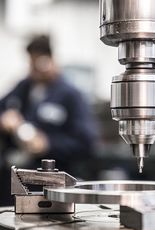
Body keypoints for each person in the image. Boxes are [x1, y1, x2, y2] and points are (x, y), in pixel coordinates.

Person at [0, 35, 98, 206]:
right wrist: (5, 119)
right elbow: (3, 108)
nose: (35, 69)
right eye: (31, 63)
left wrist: (48, 144)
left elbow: (86, 143)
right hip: (12, 182)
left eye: (39, 62)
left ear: (51, 60)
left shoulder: (70, 95)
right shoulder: (23, 87)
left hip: (50, 188)